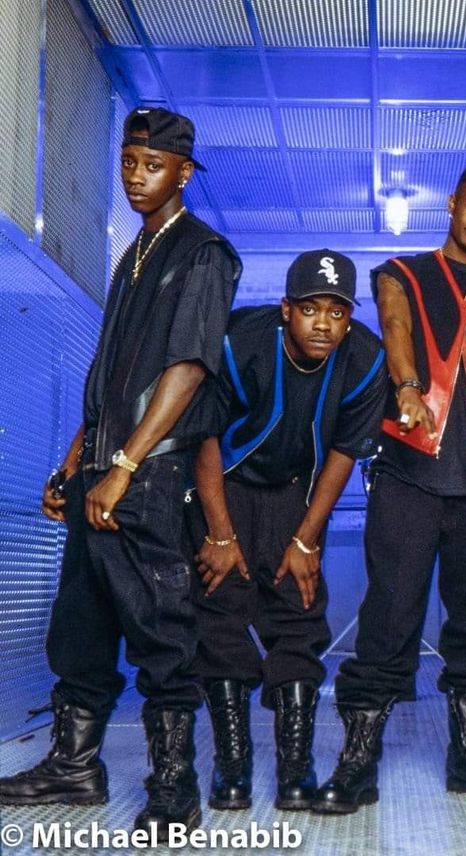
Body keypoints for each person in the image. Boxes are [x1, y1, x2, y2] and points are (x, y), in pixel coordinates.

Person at [0, 108, 241, 841]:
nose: (138, 175)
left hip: (150, 477)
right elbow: (112, 375)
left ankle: (176, 790)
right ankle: (75, 765)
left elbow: (188, 369)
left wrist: (126, 465)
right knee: (81, 625)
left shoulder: (203, 253)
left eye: (154, 164)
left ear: (185, 173)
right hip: (101, 472)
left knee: (163, 634)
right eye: (130, 161)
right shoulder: (133, 253)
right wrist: (75, 464)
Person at [311, 164, 466, 814]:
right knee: (389, 609)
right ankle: (357, 763)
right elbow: (395, 327)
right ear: (452, 204)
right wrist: (408, 385)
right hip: (411, 469)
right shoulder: (401, 272)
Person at [185, 249, 386, 812]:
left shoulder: (367, 359)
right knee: (220, 611)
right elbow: (203, 435)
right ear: (285, 309)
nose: (323, 323)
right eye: (309, 309)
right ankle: (233, 770)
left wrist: (306, 540)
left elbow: (346, 451)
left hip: (296, 492)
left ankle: (295, 771)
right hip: (222, 483)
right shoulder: (238, 339)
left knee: (299, 613)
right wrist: (219, 535)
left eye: (337, 312)